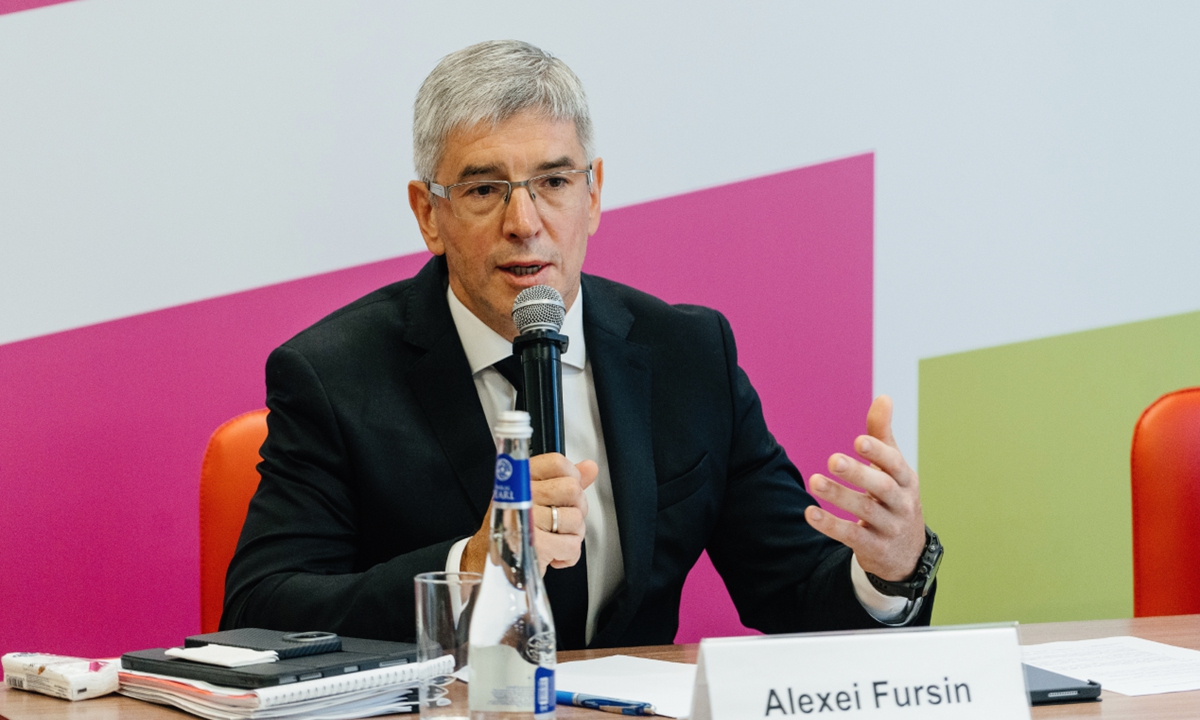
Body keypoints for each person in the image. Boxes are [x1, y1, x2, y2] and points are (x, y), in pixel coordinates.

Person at [222, 40, 939, 649]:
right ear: (428, 214)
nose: (525, 221)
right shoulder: (333, 375)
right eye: (483, 190)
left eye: (554, 182)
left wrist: (888, 568)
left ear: (592, 194)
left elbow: (793, 590)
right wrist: (466, 569)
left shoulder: (688, 354)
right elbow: (259, 614)